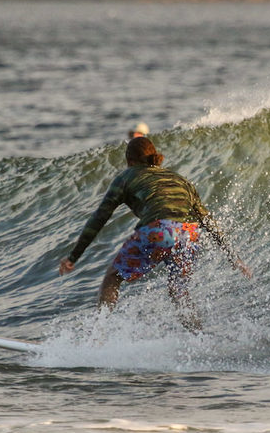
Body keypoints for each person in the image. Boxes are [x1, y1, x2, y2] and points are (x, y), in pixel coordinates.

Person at [59, 136, 250, 330]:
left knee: (112, 278)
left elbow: (99, 218)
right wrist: (233, 257)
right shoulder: (180, 180)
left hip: (159, 230)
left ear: (130, 161)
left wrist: (73, 257)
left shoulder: (127, 176)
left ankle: (96, 338)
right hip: (189, 234)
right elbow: (206, 220)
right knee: (179, 291)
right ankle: (200, 337)